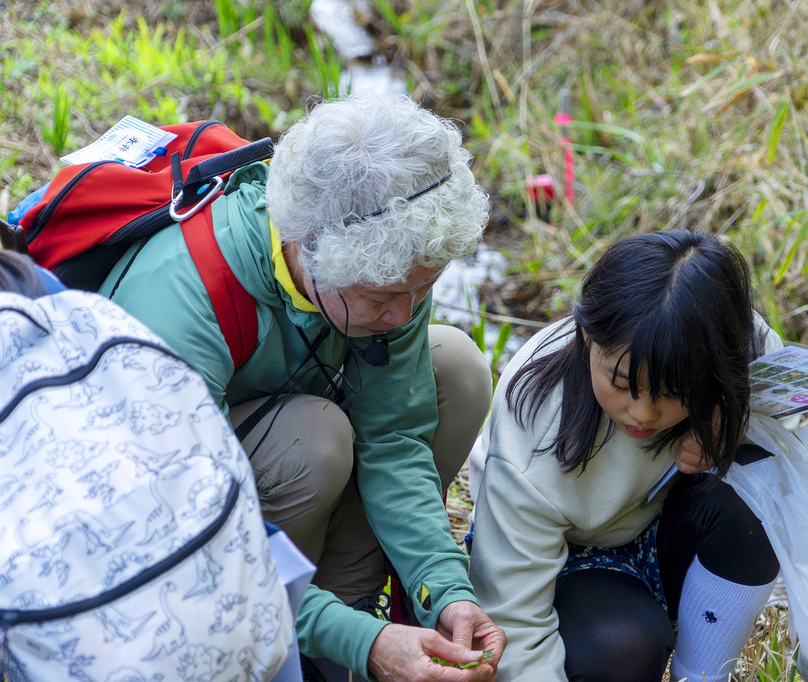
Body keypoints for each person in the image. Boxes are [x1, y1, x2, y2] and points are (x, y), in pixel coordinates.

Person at [95, 95, 506, 681]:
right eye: (384, 298)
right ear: (310, 248)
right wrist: (362, 644)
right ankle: (287, 639)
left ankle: (342, 618)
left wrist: (445, 590)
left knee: (456, 369)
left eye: (424, 288)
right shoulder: (181, 303)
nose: (405, 314)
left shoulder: (389, 263)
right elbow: (186, 536)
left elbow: (393, 441)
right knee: (313, 437)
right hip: (158, 511)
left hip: (253, 449)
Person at [466, 230, 786, 682]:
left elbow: (794, 428)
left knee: (757, 495)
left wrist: (728, 426)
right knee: (620, 649)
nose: (642, 413)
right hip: (566, 559)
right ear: (585, 336)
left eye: (674, 392)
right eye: (620, 384)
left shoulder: (739, 344)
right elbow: (513, 619)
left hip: (660, 528)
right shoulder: (536, 430)